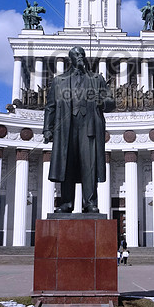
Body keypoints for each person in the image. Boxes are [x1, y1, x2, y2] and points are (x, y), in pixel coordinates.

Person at [43, 46, 114, 213]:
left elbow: (111, 101)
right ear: (71, 59)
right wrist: (47, 128)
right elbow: (50, 107)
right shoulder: (59, 81)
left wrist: (102, 102)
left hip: (89, 127)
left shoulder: (97, 79)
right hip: (66, 128)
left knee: (89, 165)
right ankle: (66, 203)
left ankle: (89, 202)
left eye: (82, 54)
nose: (80, 57)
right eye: (76, 55)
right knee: (66, 164)